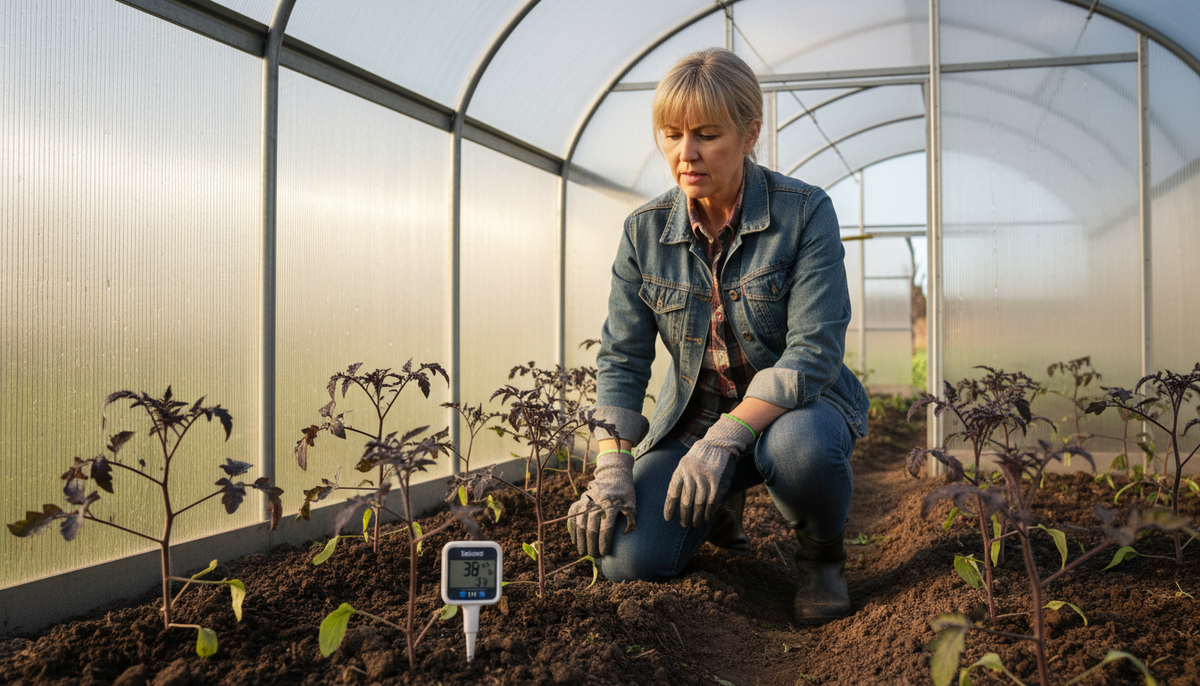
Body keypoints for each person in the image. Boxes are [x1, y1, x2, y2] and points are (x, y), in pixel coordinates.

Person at [566, 47, 869, 625]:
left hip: (794, 415)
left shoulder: (804, 213)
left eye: (706, 134)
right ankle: (716, 505)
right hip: (695, 421)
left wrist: (727, 438)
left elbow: (814, 351)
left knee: (799, 451)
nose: (686, 154)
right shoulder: (644, 232)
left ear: (750, 132)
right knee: (627, 560)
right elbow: (622, 359)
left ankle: (822, 557)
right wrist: (611, 466)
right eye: (672, 134)